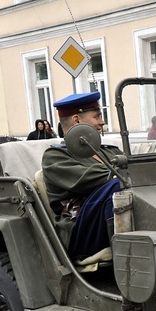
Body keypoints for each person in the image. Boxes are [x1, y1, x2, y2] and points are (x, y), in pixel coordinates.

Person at [41, 91, 123, 261]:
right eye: (97, 116)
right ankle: (124, 249)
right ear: (77, 121)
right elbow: (92, 178)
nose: (102, 122)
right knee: (118, 186)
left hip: (104, 217)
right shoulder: (55, 157)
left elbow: (135, 169)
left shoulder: (110, 151)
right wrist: (123, 174)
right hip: (80, 229)